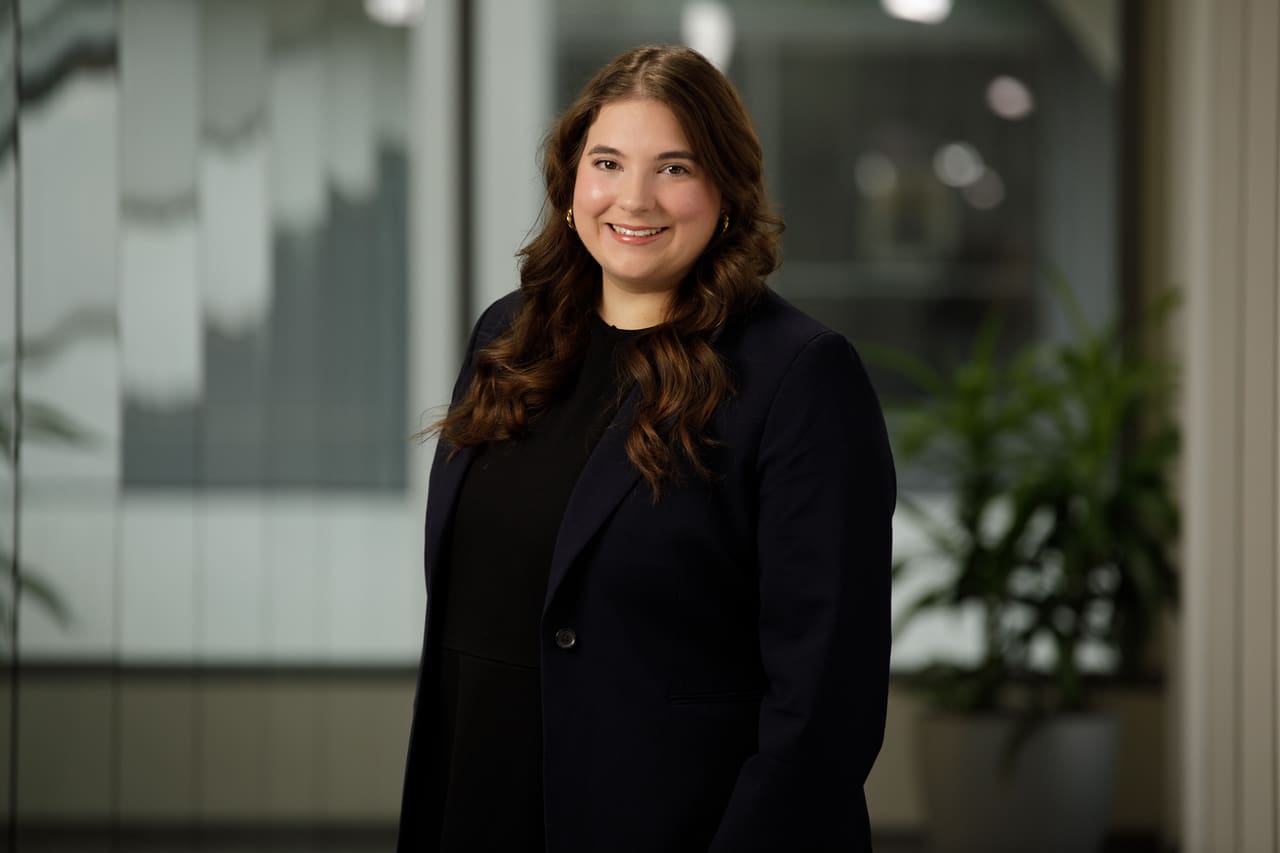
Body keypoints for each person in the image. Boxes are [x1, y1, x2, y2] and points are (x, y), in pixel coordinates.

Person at [397, 45, 895, 853]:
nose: (634, 198)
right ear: (571, 183)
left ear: (726, 191)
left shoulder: (799, 376)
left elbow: (825, 702)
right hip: (479, 803)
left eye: (675, 168)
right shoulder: (508, 337)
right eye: (608, 162)